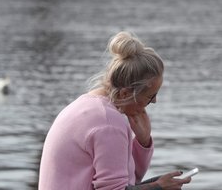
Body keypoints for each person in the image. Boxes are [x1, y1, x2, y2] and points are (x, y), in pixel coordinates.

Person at [39, 31, 192, 190]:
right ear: (125, 93)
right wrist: (158, 188)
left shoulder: (85, 105)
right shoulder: (108, 123)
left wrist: (142, 141)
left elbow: (126, 180)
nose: (154, 101)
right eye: (150, 96)